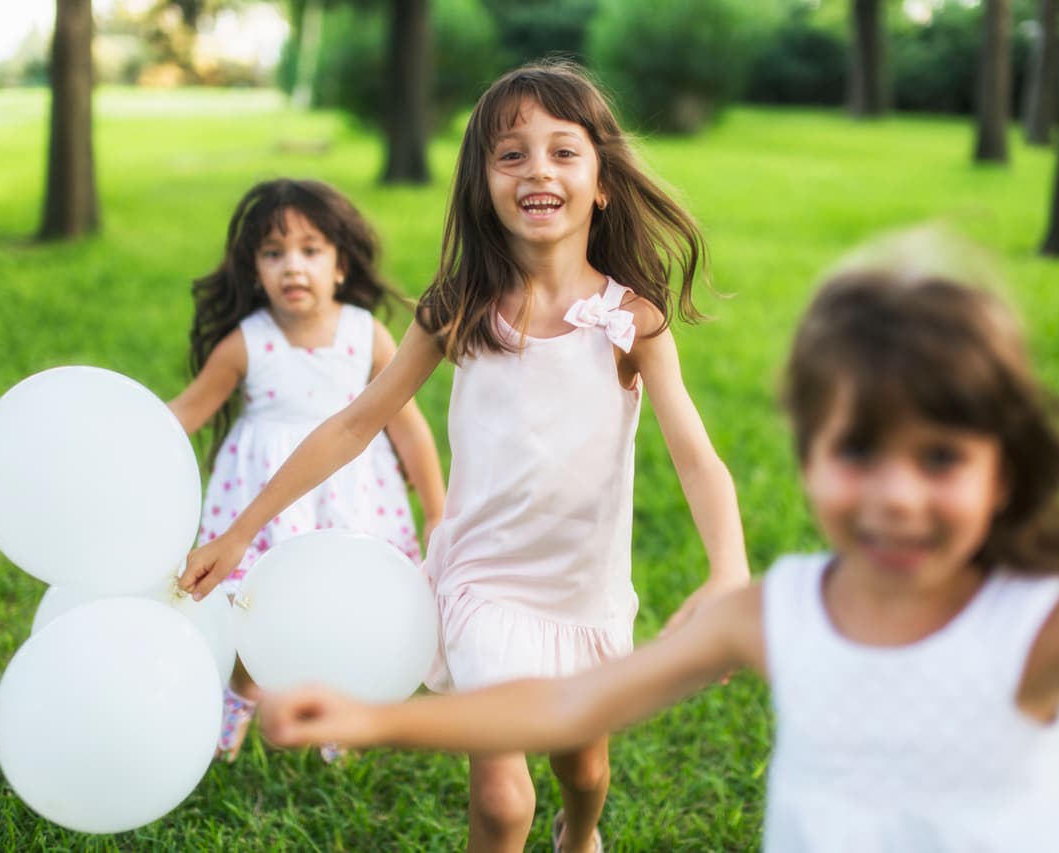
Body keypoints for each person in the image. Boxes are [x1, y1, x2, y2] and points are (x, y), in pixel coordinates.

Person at [258, 237, 1059, 852]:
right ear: (809, 457)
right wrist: (376, 718)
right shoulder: (778, 618)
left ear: (1004, 471)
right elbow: (558, 706)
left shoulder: (1055, 626)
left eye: (939, 457)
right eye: (858, 451)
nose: (896, 494)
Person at [180, 60, 750, 852]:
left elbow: (696, 457)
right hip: (481, 584)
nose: (536, 169)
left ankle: (579, 833)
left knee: (583, 770)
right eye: (510, 153)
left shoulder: (631, 322)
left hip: (582, 591)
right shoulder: (459, 310)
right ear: (483, 182)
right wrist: (242, 530)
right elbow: (353, 425)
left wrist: (728, 573)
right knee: (501, 799)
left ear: (603, 181)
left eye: (562, 151)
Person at [168, 178, 446, 762]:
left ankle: (337, 708)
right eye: (274, 253)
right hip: (266, 495)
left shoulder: (365, 334)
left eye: (310, 250)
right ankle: (237, 702)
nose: (292, 266)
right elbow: (185, 414)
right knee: (254, 605)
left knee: (344, 602)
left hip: (353, 493)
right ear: (254, 270)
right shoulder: (247, 343)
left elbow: (408, 426)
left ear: (340, 264)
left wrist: (437, 510)